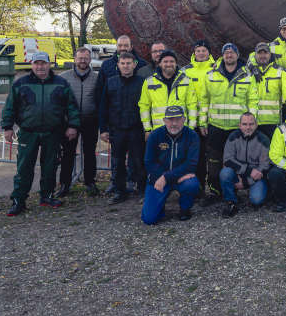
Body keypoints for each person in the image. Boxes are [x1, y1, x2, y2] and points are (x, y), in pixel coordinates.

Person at [2, 52, 80, 216]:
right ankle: (19, 201)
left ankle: (47, 196)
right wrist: (7, 127)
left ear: (49, 64)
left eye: (43, 63)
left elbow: (72, 107)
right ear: (32, 65)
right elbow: (10, 107)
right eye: (36, 63)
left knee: (50, 166)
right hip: (28, 133)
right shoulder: (20, 83)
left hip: (53, 132)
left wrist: (73, 126)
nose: (40, 67)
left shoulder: (61, 83)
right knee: (24, 168)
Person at [198, 42, 258, 205]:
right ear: (222, 55)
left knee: (235, 162)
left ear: (237, 55)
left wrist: (251, 122)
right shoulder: (211, 75)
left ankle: (232, 192)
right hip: (216, 126)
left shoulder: (247, 75)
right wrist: (202, 122)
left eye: (232, 52)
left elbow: (252, 99)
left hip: (236, 128)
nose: (229, 55)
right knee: (213, 162)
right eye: (226, 52)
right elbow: (204, 100)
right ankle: (215, 192)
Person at [95, 34, 148, 194]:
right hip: (117, 128)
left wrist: (147, 128)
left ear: (134, 65)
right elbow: (103, 105)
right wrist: (103, 128)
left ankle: (141, 189)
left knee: (138, 160)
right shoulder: (111, 82)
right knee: (117, 161)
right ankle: (119, 190)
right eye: (123, 63)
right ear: (118, 65)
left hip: (136, 128)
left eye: (128, 63)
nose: (125, 66)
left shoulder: (141, 83)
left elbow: (147, 106)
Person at [141, 105, 201, 224]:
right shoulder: (155, 135)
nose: (174, 123)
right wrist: (162, 177)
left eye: (178, 119)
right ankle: (160, 205)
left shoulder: (192, 136)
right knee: (149, 219)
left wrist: (166, 177)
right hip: (159, 177)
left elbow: (191, 164)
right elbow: (149, 162)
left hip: (180, 178)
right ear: (164, 120)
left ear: (184, 119)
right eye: (170, 120)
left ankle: (185, 209)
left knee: (191, 183)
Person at [57, 47, 100, 198]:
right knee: (68, 153)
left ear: (90, 60)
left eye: (86, 58)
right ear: (74, 59)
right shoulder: (63, 78)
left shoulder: (97, 77)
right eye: (80, 58)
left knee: (89, 153)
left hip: (91, 121)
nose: (83, 61)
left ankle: (90, 182)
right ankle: (65, 184)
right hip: (70, 123)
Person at [182, 40, 217, 198]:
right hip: (193, 121)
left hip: (212, 120)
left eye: (204, 50)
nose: (201, 53)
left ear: (209, 52)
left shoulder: (216, 68)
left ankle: (215, 188)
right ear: (194, 53)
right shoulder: (185, 71)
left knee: (214, 157)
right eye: (198, 51)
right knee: (197, 156)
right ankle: (199, 188)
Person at [219, 112, 271, 217]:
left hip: (256, 177)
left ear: (256, 125)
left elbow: (265, 165)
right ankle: (231, 202)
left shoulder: (263, 140)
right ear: (239, 125)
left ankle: (265, 192)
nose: (248, 127)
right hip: (238, 174)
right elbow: (228, 160)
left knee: (256, 200)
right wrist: (248, 171)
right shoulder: (233, 137)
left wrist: (246, 182)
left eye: (251, 124)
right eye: (244, 124)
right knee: (225, 173)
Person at [138, 49, 198, 137]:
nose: (169, 64)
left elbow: (192, 105)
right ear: (160, 64)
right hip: (159, 130)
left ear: (176, 63)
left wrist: (191, 128)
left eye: (172, 61)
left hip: (181, 130)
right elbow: (144, 106)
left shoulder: (186, 81)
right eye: (165, 61)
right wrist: (147, 129)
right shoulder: (149, 82)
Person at [247, 42, 283, 139]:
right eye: (259, 53)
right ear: (255, 55)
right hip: (250, 122)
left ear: (270, 55)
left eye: (265, 53)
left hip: (271, 122)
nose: (262, 56)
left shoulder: (279, 72)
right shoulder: (247, 72)